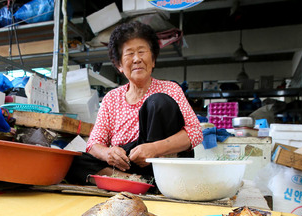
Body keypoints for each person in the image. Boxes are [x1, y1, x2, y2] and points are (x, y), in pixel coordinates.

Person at [66, 21, 203, 184]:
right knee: (72, 161)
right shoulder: (111, 98)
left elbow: (195, 133)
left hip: (164, 162)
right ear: (119, 66)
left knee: (158, 101)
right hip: (127, 165)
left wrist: (154, 149)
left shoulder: (170, 89)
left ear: (153, 60)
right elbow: (94, 144)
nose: (137, 59)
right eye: (129, 54)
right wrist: (109, 154)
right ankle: (132, 181)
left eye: (142, 52)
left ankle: (149, 181)